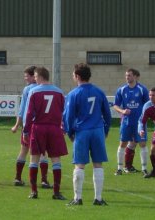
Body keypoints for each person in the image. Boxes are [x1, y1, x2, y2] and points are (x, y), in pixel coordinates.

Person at [64, 63, 112, 206]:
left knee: (79, 165)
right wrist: (106, 130)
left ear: (78, 76)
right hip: (97, 130)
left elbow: (68, 117)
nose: (72, 76)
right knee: (98, 164)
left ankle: (77, 198)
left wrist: (70, 132)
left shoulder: (74, 94)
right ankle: (98, 198)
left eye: (73, 74)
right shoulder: (99, 91)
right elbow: (107, 114)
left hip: (82, 132)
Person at [22, 67, 66, 200]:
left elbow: (29, 113)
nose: (34, 79)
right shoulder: (59, 92)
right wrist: (63, 126)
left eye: (35, 76)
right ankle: (56, 192)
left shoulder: (33, 91)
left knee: (34, 158)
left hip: (38, 127)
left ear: (40, 76)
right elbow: (63, 111)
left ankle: (34, 192)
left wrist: (25, 130)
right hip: (54, 128)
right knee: (56, 160)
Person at [10, 66, 52, 188]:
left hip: (29, 125)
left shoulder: (28, 89)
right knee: (43, 152)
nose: (26, 78)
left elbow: (23, 109)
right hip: (42, 125)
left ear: (35, 76)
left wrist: (18, 125)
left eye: (27, 76)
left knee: (24, 150)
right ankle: (44, 180)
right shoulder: (47, 88)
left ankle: (18, 177)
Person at [112, 68, 150, 175]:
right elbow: (115, 105)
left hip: (139, 122)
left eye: (129, 75)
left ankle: (144, 169)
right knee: (123, 143)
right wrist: (122, 111)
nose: (127, 77)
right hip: (126, 122)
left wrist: (146, 116)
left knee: (142, 143)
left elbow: (148, 104)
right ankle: (119, 168)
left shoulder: (142, 89)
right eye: (126, 75)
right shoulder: (122, 90)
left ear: (135, 77)